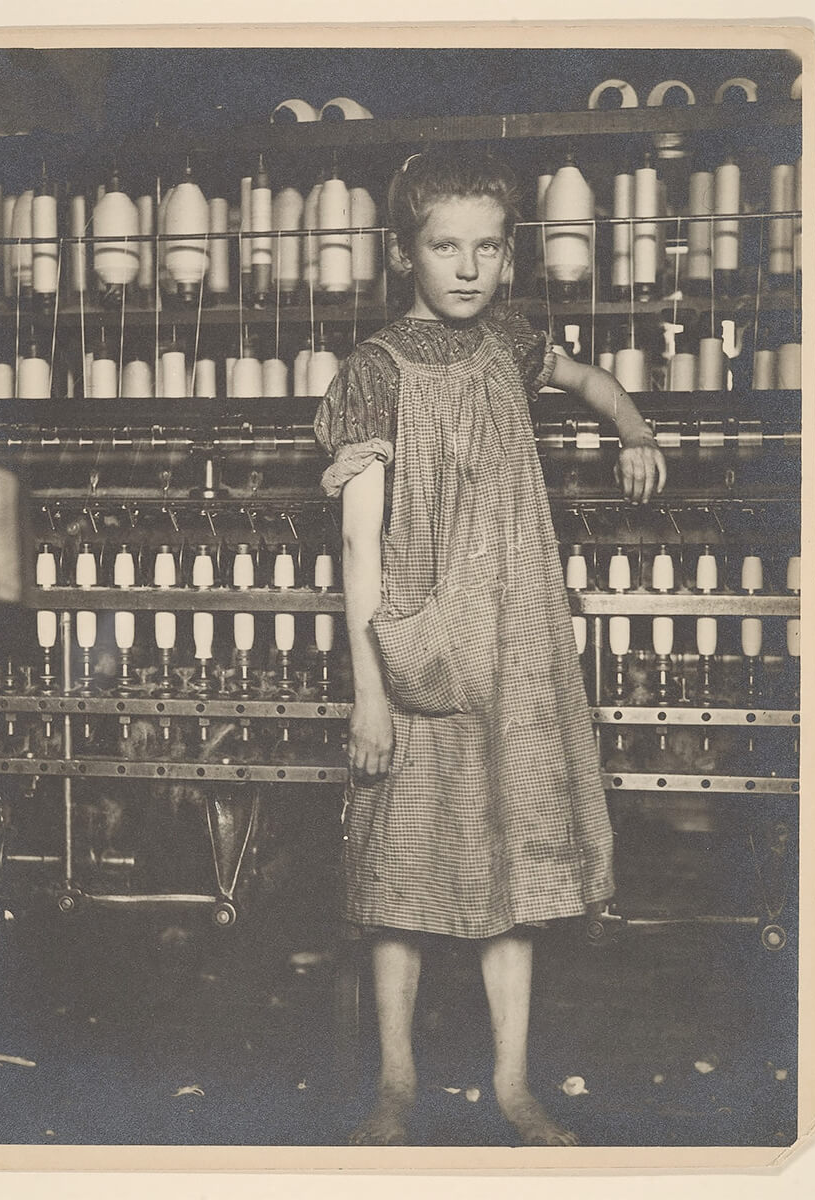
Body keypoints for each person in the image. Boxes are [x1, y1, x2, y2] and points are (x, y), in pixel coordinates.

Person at [314, 148, 666, 1148]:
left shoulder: (512, 342)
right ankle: (394, 1086)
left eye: (483, 246)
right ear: (401, 254)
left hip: (512, 650)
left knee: (512, 877)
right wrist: (369, 693)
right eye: (441, 247)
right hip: (417, 652)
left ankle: (512, 1087)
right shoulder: (373, 374)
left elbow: (593, 378)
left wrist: (635, 432)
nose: (464, 267)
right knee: (400, 881)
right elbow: (357, 542)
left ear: (509, 255)